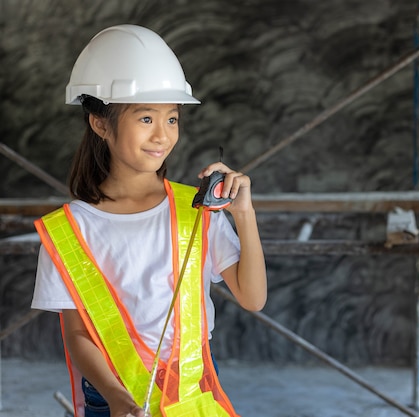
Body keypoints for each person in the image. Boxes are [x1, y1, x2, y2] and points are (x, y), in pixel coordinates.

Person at [31, 24, 267, 417]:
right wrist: (117, 397)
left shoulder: (196, 211)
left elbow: (253, 297)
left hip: (192, 386)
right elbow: (78, 336)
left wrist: (245, 215)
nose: (162, 135)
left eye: (172, 119)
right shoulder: (69, 231)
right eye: (145, 119)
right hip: (112, 396)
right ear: (100, 123)